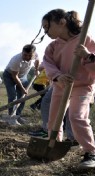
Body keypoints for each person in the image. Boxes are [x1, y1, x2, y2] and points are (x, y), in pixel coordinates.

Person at [41, 9, 95, 168]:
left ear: (62, 23)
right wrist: (58, 76)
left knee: (77, 117)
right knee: (53, 120)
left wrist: (87, 56)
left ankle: (91, 152)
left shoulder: (85, 40)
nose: (45, 32)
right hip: (60, 86)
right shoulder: (52, 46)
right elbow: (48, 65)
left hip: (82, 86)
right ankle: (53, 146)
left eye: (47, 27)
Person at [2, 44, 39, 116]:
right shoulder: (16, 60)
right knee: (13, 96)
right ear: (22, 52)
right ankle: (11, 115)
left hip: (23, 76)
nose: (27, 57)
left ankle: (17, 115)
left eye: (30, 55)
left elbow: (37, 60)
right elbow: (15, 76)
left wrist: (36, 70)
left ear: (33, 54)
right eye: (25, 55)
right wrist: (22, 88)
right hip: (9, 75)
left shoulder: (35, 55)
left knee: (22, 96)